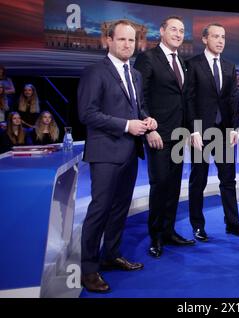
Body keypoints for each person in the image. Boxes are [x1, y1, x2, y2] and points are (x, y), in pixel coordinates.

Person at [77, 20, 157, 293]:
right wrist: (126, 125)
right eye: (122, 39)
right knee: (99, 211)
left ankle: (111, 255)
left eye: (131, 40)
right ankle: (88, 270)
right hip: (105, 152)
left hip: (129, 152)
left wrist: (147, 120)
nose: (127, 45)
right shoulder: (95, 72)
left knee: (120, 209)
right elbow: (87, 114)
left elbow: (139, 108)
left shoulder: (134, 74)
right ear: (108, 41)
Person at [134, 16, 195, 258]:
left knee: (173, 186)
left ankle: (169, 232)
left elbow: (185, 99)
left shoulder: (181, 60)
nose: (178, 34)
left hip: (179, 135)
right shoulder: (148, 58)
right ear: (161, 31)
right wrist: (149, 130)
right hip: (158, 134)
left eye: (182, 31)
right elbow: (140, 98)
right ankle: (156, 236)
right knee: (159, 185)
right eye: (173, 29)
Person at [186, 23, 239, 241]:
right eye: (216, 36)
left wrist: (234, 127)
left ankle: (233, 223)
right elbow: (189, 100)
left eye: (223, 36)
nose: (221, 40)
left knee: (228, 179)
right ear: (205, 39)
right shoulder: (193, 64)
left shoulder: (228, 65)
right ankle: (198, 226)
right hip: (201, 132)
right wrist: (193, 130)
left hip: (224, 131)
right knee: (199, 179)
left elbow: (233, 99)